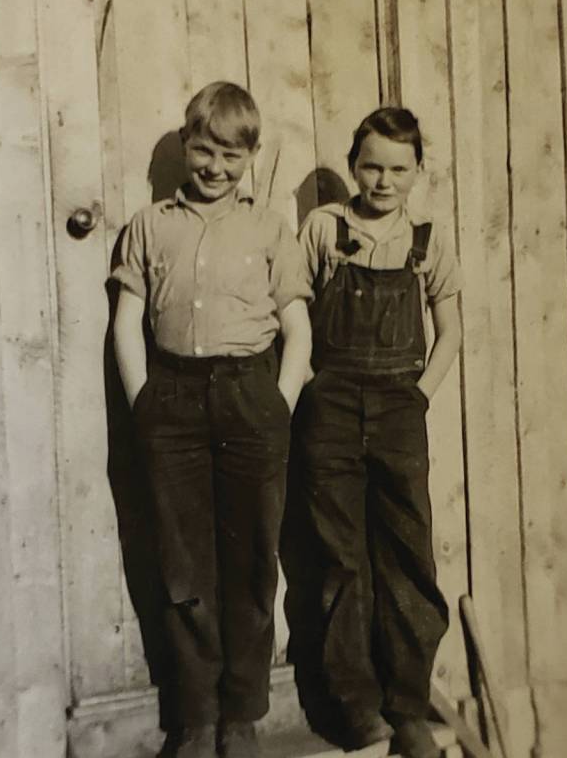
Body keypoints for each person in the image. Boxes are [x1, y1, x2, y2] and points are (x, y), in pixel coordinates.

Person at [112, 82, 312, 758]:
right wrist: (144, 402)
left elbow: (297, 329)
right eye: (204, 150)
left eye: (232, 154)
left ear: (250, 156)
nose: (216, 167)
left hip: (250, 395)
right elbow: (126, 323)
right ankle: (195, 714)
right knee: (183, 564)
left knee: (251, 559)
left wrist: (277, 404)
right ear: (185, 145)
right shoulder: (149, 225)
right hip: (172, 400)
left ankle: (242, 714)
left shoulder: (269, 229)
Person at [294, 106, 461, 758]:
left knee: (407, 554)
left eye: (398, 169)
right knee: (338, 556)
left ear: (417, 171)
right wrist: (312, 387)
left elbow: (450, 329)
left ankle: (407, 705)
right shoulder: (323, 228)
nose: (383, 181)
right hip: (331, 408)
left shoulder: (426, 239)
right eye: (371, 167)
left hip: (398, 410)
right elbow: (294, 314)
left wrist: (418, 395)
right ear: (352, 165)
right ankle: (358, 707)